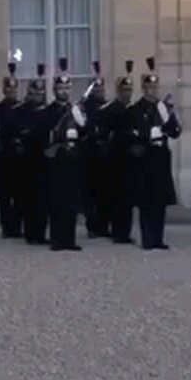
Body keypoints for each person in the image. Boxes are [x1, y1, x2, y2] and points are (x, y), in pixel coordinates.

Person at [127, 57, 181, 250]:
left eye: (155, 87)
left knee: (160, 201)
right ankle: (147, 238)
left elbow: (175, 131)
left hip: (160, 156)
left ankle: (158, 238)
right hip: (145, 157)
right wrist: (146, 133)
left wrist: (168, 118)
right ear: (144, 88)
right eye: (149, 87)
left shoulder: (163, 107)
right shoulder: (135, 109)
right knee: (146, 201)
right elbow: (132, 132)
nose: (153, 90)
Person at [42, 58, 87, 251]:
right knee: (56, 201)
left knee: (71, 201)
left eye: (67, 88)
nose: (64, 92)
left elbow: (86, 133)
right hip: (57, 158)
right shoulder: (48, 111)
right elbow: (43, 135)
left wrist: (81, 120)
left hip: (73, 157)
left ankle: (70, 239)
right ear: (55, 90)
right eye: (61, 88)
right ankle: (57, 239)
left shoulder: (75, 109)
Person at [0, 63, 25, 238]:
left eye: (14, 89)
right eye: (8, 89)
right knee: (4, 195)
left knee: (20, 194)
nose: (11, 92)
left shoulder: (23, 109)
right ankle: (6, 228)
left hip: (19, 155)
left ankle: (17, 226)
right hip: (3, 154)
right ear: (3, 90)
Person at [99, 62, 137, 244]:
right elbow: (105, 135)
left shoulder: (134, 110)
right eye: (124, 90)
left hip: (130, 160)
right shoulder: (110, 110)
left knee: (128, 199)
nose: (127, 94)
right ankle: (117, 231)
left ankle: (125, 231)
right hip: (115, 160)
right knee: (115, 198)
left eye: (129, 90)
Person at [18, 66, 50, 245]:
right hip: (27, 161)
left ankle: (40, 233)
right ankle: (30, 233)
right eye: (34, 90)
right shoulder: (22, 111)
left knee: (42, 200)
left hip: (43, 160)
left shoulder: (46, 111)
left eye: (40, 91)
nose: (38, 94)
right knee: (28, 199)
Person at [81, 62, 110, 239]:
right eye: (97, 88)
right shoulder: (85, 107)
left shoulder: (107, 106)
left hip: (105, 154)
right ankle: (92, 226)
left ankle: (103, 226)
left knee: (104, 193)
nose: (100, 91)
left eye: (102, 88)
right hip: (89, 153)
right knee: (90, 193)